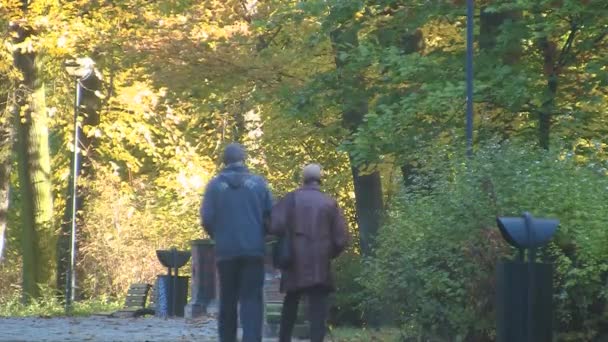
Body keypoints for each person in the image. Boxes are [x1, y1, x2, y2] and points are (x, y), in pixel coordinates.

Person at [200, 143, 273, 342]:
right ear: (244, 159)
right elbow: (271, 217)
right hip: (253, 250)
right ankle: (251, 338)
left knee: (227, 299)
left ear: (224, 161)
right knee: (252, 299)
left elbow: (207, 219)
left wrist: (218, 235)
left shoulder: (214, 186)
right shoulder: (259, 184)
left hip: (226, 251)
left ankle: (227, 338)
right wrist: (261, 235)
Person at [270, 164, 349, 342]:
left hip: (294, 260)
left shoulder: (291, 199)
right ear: (320, 179)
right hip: (320, 263)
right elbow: (341, 238)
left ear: (303, 179)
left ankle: (284, 339)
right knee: (318, 308)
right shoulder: (330, 203)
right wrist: (329, 253)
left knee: (291, 302)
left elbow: (274, 225)